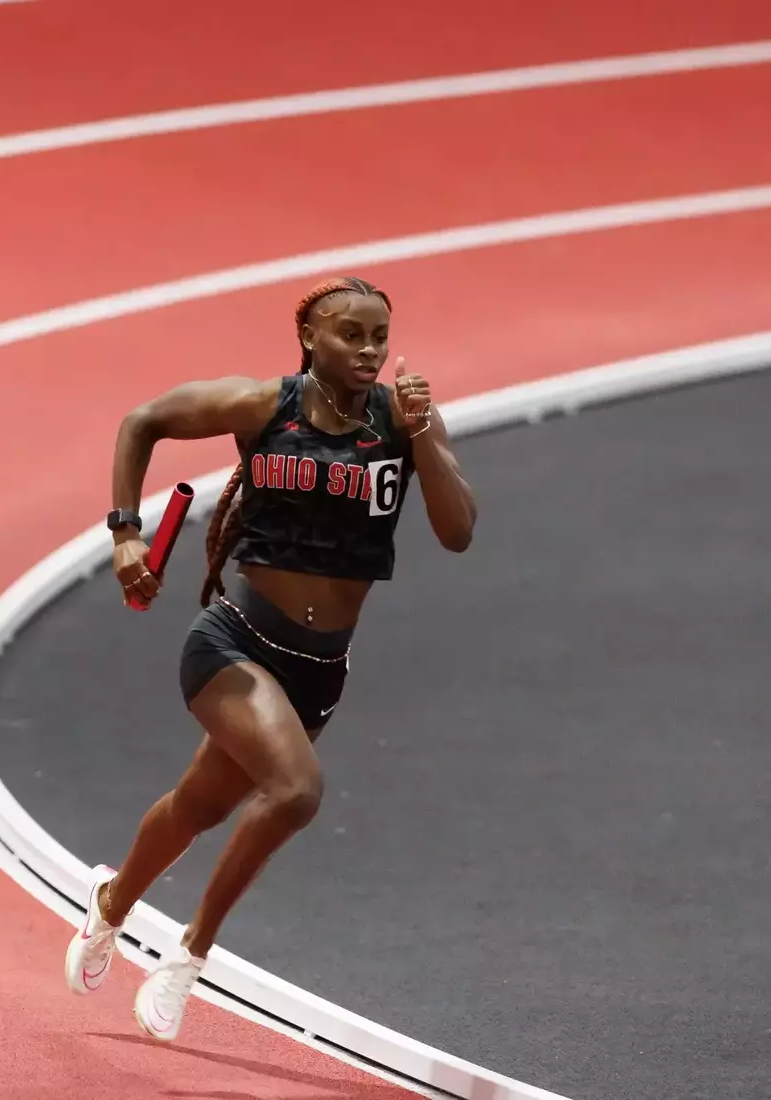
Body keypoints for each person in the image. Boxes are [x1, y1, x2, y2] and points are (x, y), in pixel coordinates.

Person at [62, 276, 477, 1041]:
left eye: (379, 335)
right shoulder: (263, 407)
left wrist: (423, 436)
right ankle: (189, 955)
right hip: (233, 643)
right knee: (295, 792)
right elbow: (142, 421)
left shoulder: (401, 419)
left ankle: (111, 904)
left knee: (201, 805)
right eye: (350, 334)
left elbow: (457, 532)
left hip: (319, 671)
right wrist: (125, 532)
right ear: (310, 338)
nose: (369, 349)